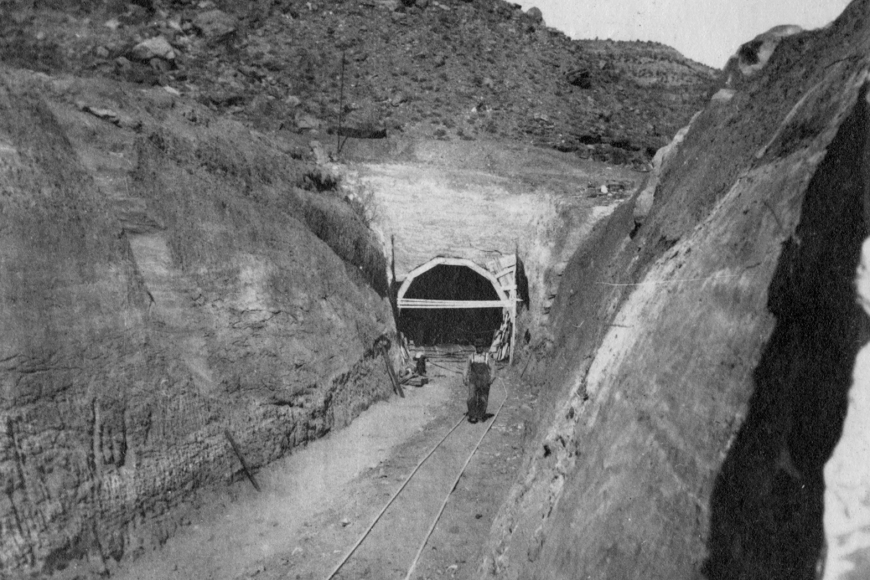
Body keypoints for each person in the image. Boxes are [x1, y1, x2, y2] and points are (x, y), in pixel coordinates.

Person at [464, 338, 495, 423]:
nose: (479, 348)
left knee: (483, 398)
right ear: (475, 347)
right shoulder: (471, 356)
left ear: (483, 347)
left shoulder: (487, 357)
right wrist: (464, 377)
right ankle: (472, 415)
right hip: (473, 379)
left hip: (484, 380)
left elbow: (492, 368)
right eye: (477, 347)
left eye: (481, 346)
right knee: (471, 398)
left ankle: (481, 414)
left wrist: (492, 378)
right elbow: (466, 367)